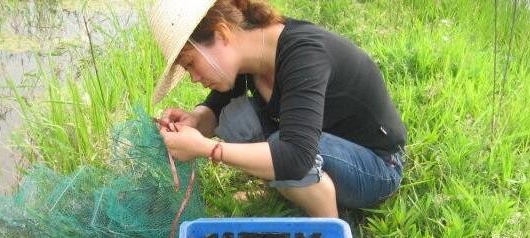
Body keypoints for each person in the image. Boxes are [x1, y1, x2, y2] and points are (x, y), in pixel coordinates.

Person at [149, 0, 407, 217]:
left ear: (223, 33)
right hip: (317, 145)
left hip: (376, 165)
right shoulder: (252, 53)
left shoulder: (303, 54)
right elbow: (217, 107)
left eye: (191, 63)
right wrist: (194, 121)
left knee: (283, 147)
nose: (194, 77)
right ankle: (287, 187)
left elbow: (295, 156)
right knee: (235, 118)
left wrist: (206, 148)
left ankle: (327, 231)